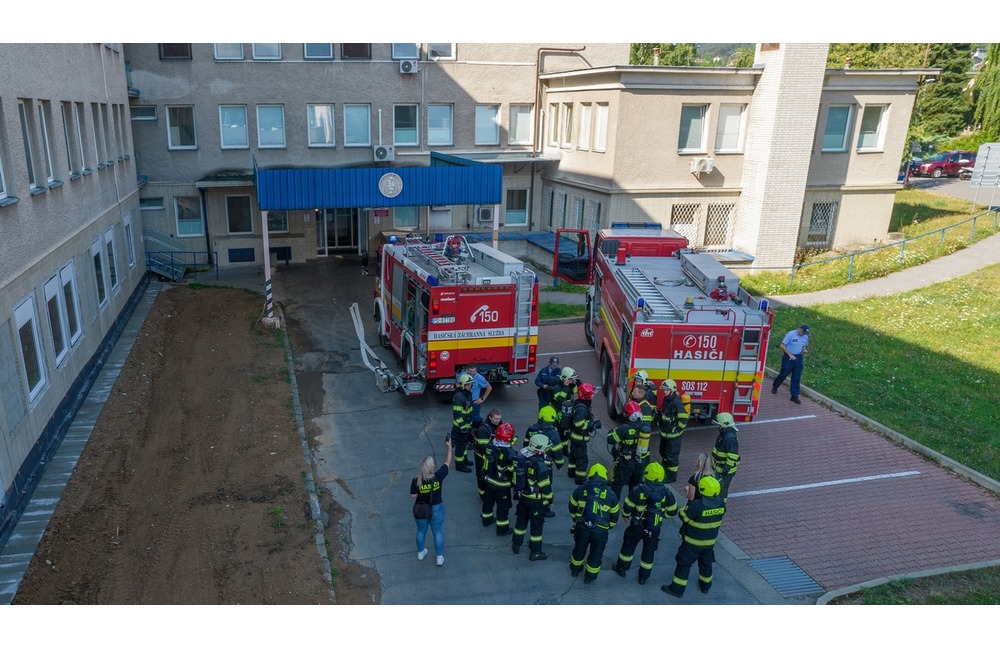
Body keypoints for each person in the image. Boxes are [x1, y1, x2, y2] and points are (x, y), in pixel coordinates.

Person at [661, 475, 726, 598]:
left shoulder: (697, 505)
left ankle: (677, 589)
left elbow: (683, 516)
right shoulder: (721, 503)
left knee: (683, 564)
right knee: (706, 564)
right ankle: (705, 586)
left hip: (692, 543)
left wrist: (687, 506)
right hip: (709, 542)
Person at [612, 462, 677, 584]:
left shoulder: (637, 490)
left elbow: (628, 505)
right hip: (654, 527)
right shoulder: (666, 492)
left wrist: (625, 516)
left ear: (646, 475)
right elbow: (673, 511)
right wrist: (662, 516)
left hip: (637, 526)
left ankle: (621, 568)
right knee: (649, 552)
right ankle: (643, 577)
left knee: (628, 547)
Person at [568, 463, 620, 583]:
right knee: (596, 553)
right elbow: (614, 515)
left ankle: (575, 569)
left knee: (579, 549)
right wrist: (609, 526)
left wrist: (576, 520)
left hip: (582, 527)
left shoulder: (580, 490)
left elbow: (572, 506)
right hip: (600, 531)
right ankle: (589, 577)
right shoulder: (611, 495)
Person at [511, 434, 554, 561]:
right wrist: (550, 500)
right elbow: (545, 486)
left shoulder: (523, 457)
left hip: (523, 497)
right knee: (536, 527)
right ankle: (535, 552)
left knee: (520, 523)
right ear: (540, 449)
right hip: (536, 501)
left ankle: (516, 545)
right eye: (546, 448)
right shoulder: (540, 465)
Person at [410, 437, 452, 567]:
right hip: (437, 508)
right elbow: (448, 463)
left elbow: (413, 495)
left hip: (421, 509)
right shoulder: (438, 477)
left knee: (421, 531)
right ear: (432, 467)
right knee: (438, 532)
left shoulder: (416, 480)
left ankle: (421, 552)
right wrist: (449, 447)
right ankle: (439, 557)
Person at [482, 422, 516, 535]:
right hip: (502, 485)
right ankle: (502, 529)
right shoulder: (510, 453)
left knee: (488, 502)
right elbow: (512, 470)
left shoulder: (490, 446)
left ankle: (486, 520)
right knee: (503, 508)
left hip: (489, 481)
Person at [607, 400, 645, 502]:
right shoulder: (644, 427)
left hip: (626, 462)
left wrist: (612, 431)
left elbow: (610, 439)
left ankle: (613, 506)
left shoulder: (625, 428)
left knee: (617, 485)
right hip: (639, 462)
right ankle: (631, 508)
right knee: (634, 487)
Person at [657, 379, 690, 483]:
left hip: (673, 436)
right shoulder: (667, 399)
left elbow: (684, 417)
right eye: (664, 390)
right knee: (663, 452)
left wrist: (678, 429)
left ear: (672, 390)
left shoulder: (676, 402)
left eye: (666, 390)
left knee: (672, 455)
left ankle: (671, 476)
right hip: (666, 434)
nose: (664, 392)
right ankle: (665, 468)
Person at [568, 382, 600, 484]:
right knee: (582, 459)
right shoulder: (582, 408)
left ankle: (571, 472)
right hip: (579, 438)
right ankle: (580, 479)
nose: (594, 395)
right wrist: (592, 425)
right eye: (592, 393)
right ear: (587, 395)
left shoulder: (579, 403)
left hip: (575, 437)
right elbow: (578, 423)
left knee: (573, 456)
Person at [771, 324, 810, 404]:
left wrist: (804, 350)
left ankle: (794, 396)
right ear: (800, 329)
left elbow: (803, 346)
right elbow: (782, 345)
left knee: (796, 377)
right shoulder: (791, 334)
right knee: (783, 374)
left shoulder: (805, 337)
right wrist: (790, 355)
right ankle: (775, 386)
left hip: (798, 358)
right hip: (788, 357)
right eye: (804, 332)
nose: (804, 334)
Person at [474, 408, 504, 500]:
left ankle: (490, 492)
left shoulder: (499, 424)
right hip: (481, 457)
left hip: (492, 456)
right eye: (496, 419)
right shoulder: (484, 429)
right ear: (490, 418)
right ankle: (482, 494)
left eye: (499, 418)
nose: (498, 421)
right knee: (481, 475)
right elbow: (482, 448)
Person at [710, 412, 741, 501]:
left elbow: (733, 456)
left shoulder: (730, 438)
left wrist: (726, 469)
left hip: (725, 470)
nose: (718, 427)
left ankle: (721, 505)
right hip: (719, 468)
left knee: (722, 489)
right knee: (717, 487)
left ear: (724, 424)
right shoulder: (725, 434)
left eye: (719, 425)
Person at [451, 373, 474, 472]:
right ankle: (460, 465)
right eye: (468, 384)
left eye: (470, 384)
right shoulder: (459, 397)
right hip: (460, 428)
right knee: (460, 446)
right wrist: (463, 426)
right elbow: (457, 415)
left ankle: (464, 460)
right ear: (462, 385)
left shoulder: (467, 394)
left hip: (466, 426)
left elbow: (468, 409)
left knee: (464, 444)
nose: (469, 386)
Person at [629, 373, 656, 459]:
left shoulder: (647, 399)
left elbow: (646, 423)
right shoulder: (636, 393)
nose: (637, 383)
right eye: (636, 381)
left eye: (639, 381)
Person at [466, 363, 493, 427]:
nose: (472, 373)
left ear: (476, 370)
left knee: (475, 420)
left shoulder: (479, 378)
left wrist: (482, 399)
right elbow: (457, 384)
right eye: (470, 371)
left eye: (473, 371)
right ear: (467, 370)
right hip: (464, 401)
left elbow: (489, 388)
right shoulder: (463, 375)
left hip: (474, 403)